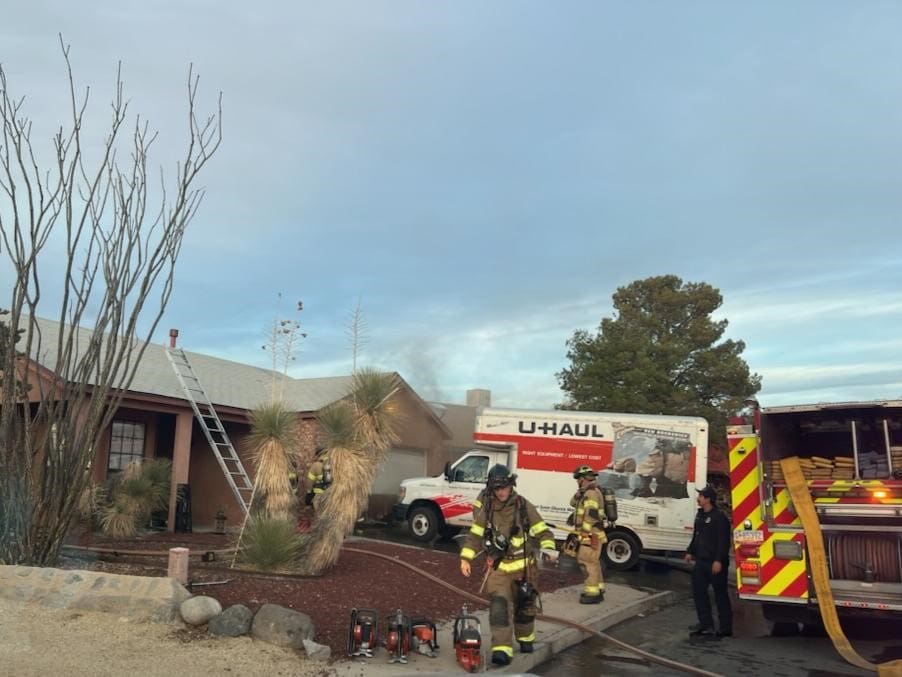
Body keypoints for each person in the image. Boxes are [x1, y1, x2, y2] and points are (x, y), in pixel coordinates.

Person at [459, 464, 557, 667]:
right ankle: (502, 650)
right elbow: (475, 535)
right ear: (492, 489)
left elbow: (543, 531)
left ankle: (526, 639)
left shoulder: (523, 506)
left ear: (511, 485)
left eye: (504, 487)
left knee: (525, 607)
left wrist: (549, 549)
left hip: (525, 569)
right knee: (499, 607)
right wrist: (465, 558)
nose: (501, 492)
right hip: (499, 568)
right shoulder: (487, 508)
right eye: (497, 489)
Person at [684, 485, 732, 637]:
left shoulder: (719, 517)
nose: (698, 499)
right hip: (701, 561)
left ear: (708, 499)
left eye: (701, 497)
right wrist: (690, 552)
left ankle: (725, 627)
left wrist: (718, 560)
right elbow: (696, 536)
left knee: (720, 594)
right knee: (699, 593)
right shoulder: (700, 516)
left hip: (715, 562)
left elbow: (723, 541)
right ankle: (706, 624)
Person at [569, 465, 607, 603]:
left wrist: (584, 533)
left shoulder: (591, 494)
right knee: (593, 562)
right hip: (594, 534)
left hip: (590, 534)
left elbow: (591, 515)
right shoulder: (586, 492)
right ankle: (599, 588)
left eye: (578, 479)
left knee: (586, 562)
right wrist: (578, 494)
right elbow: (573, 503)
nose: (577, 481)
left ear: (583, 478)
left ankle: (592, 594)